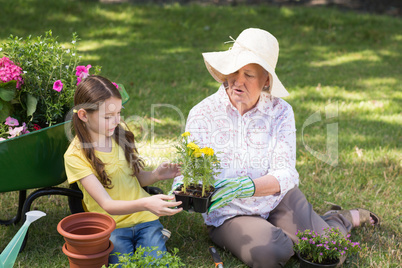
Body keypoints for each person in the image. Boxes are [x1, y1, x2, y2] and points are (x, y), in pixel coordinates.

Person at [172, 28, 380, 267]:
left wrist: (246, 186)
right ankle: (291, 234)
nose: (238, 81)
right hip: (231, 213)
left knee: (329, 250)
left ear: (266, 80)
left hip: (277, 199)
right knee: (272, 252)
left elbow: (285, 172)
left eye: (249, 75)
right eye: (234, 71)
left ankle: (338, 220)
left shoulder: (280, 111)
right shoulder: (202, 113)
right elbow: (190, 174)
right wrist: (181, 192)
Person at [64, 75, 183, 264]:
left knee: (157, 263)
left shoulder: (119, 135)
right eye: (108, 117)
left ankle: (154, 236)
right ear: (84, 115)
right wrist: (146, 203)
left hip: (145, 219)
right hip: (112, 225)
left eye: (119, 113)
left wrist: (155, 175)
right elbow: (107, 204)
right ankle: (156, 238)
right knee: (122, 263)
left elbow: (134, 180)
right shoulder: (75, 155)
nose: (116, 121)